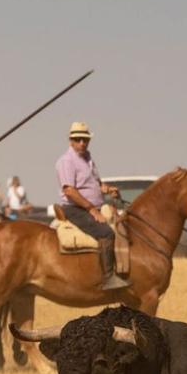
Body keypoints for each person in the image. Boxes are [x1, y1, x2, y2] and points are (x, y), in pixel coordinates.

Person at [55, 121, 129, 290]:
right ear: (71, 141)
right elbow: (70, 191)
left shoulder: (88, 159)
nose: (82, 143)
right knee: (106, 233)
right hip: (74, 208)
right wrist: (92, 209)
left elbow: (97, 185)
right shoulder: (66, 161)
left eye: (85, 140)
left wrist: (109, 190)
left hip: (91, 206)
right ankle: (108, 278)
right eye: (78, 139)